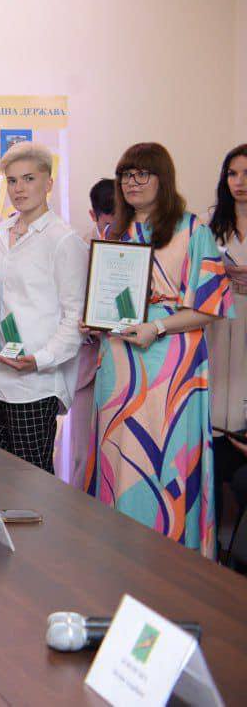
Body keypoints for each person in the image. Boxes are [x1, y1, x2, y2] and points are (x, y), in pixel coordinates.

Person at [84, 142, 233, 558]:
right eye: (125, 175)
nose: (131, 182)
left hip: (173, 367)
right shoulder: (115, 234)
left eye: (141, 174)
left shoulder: (192, 230)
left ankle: (168, 561)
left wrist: (158, 326)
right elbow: (110, 302)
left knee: (166, 463)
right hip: (119, 366)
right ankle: (115, 558)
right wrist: (93, 321)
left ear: (162, 178)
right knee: (119, 458)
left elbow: (212, 307)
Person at [0, 144, 87, 473]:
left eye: (29, 178)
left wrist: (40, 359)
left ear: (48, 183)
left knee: (32, 485)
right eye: (13, 181)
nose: (19, 188)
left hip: (35, 385)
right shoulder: (1, 233)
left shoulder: (64, 240)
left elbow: (75, 318)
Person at [64, 177, 117, 487]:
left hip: (125, 359)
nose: (113, 229)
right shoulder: (77, 248)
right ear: (92, 215)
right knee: (83, 454)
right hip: (86, 364)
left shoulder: (137, 247)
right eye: (107, 222)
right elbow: (63, 306)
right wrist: (84, 326)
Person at [208, 143, 247, 548]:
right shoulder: (211, 229)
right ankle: (212, 546)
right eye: (233, 174)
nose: (240, 182)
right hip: (218, 329)